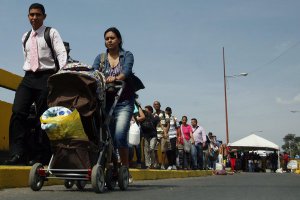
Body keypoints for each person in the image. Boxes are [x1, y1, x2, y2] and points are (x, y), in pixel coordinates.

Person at [4, 3, 67, 165]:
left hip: (47, 76)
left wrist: (61, 75)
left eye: (38, 14)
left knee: (43, 117)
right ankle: (17, 153)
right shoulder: (25, 36)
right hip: (28, 77)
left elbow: (61, 53)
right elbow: (26, 57)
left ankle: (41, 156)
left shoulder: (50, 32)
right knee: (18, 111)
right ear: (28, 16)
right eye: (31, 14)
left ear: (44, 16)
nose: (34, 17)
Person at [92, 27, 135, 169]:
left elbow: (127, 71)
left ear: (119, 40)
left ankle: (124, 168)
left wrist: (115, 78)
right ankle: (114, 167)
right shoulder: (100, 58)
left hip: (124, 101)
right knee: (107, 138)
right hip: (106, 102)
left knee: (120, 135)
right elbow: (94, 74)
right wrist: (99, 77)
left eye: (112, 38)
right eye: (107, 38)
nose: (109, 41)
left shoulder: (127, 55)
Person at [153, 101, 170, 169]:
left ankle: (162, 164)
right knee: (154, 149)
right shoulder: (153, 114)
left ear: (160, 105)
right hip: (155, 134)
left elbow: (168, 124)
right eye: (155, 104)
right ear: (153, 106)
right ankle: (157, 163)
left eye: (157, 104)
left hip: (163, 134)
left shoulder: (164, 114)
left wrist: (166, 132)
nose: (156, 105)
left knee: (163, 150)